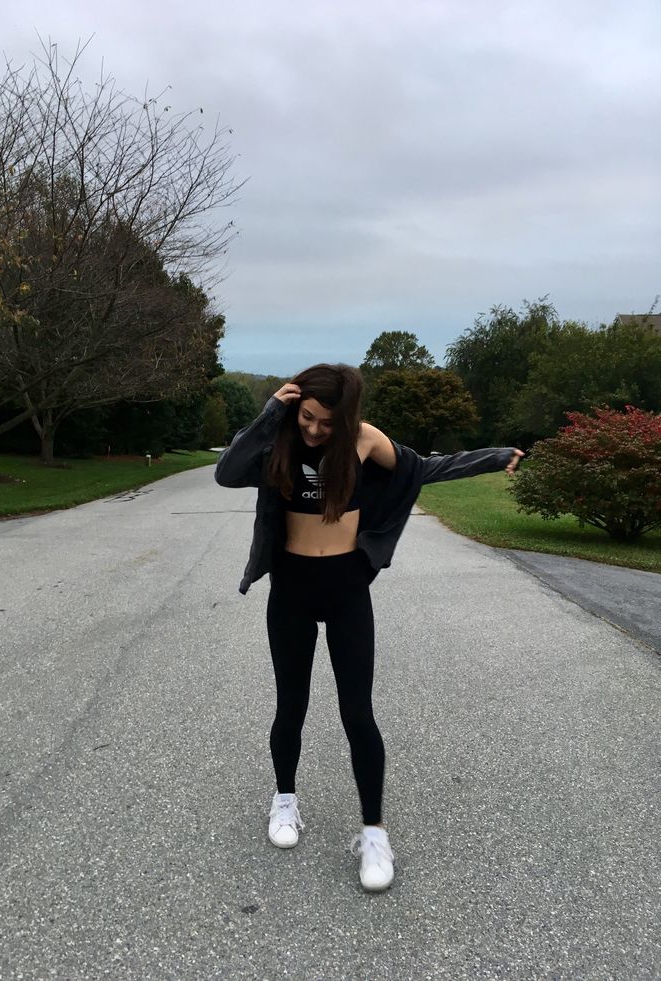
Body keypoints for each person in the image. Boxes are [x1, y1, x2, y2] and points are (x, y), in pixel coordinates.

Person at [214, 363, 523, 892]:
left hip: (346, 589)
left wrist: (492, 457)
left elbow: (424, 468)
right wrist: (272, 412)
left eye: (325, 423)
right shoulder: (280, 437)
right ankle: (284, 800)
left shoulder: (364, 441)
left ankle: (373, 833)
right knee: (292, 704)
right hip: (290, 587)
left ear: (348, 417)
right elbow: (227, 471)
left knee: (358, 711)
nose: (313, 430)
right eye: (306, 417)